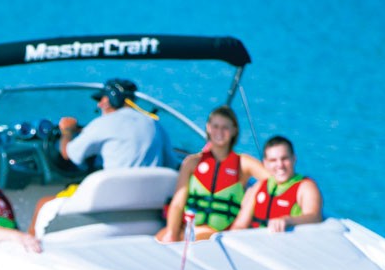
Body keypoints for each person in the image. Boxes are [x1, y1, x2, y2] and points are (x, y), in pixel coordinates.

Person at [29, 79, 180, 233]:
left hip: (111, 205)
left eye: (101, 99)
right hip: (149, 210)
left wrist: (67, 131)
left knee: (43, 204)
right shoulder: (154, 124)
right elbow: (171, 163)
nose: (99, 105)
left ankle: (30, 245)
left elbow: (69, 154)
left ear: (111, 99)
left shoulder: (104, 123)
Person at [156, 105, 268, 242]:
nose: (219, 132)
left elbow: (274, 180)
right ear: (208, 128)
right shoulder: (192, 162)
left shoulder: (244, 163)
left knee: (196, 239)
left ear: (234, 130)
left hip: (219, 235)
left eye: (225, 127)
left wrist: (254, 191)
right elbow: (178, 204)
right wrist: (171, 233)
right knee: (158, 241)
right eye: (215, 126)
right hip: (188, 229)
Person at [230, 136, 323, 233]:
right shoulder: (260, 186)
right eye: (273, 160)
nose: (280, 165)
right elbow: (240, 225)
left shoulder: (306, 187)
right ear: (265, 163)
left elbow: (314, 217)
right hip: (257, 240)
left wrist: (287, 220)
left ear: (294, 159)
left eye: (284, 158)